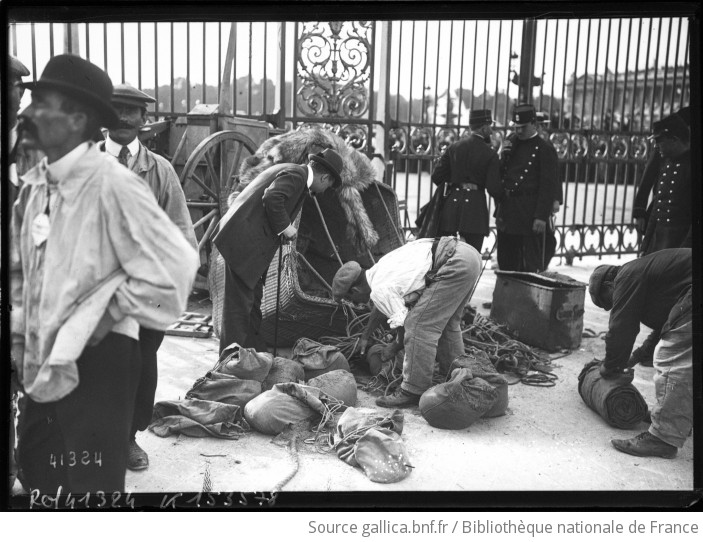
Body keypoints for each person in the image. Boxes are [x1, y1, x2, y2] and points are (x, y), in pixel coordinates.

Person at [10, 54, 198, 494]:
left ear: (77, 119)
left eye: (43, 104)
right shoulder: (37, 185)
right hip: (41, 362)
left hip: (98, 365)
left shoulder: (117, 184)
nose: (29, 112)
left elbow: (178, 268)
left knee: (89, 487)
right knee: (40, 473)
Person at [101, 83, 198, 472]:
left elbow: (183, 235)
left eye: (132, 111)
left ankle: (127, 438)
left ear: (144, 120)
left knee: (139, 364)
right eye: (116, 109)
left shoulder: (160, 171)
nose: (123, 117)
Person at [213, 148, 344, 354]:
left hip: (247, 245)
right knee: (238, 309)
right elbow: (273, 197)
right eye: (329, 184)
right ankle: (230, 363)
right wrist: (286, 227)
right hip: (242, 245)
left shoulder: (292, 171)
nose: (326, 189)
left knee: (253, 303)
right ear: (325, 177)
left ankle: (252, 354)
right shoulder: (297, 175)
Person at [331, 236, 482, 408]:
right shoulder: (379, 270)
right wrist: (365, 336)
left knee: (419, 326)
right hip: (467, 255)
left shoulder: (379, 288)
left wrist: (393, 347)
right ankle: (458, 375)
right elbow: (381, 305)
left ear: (356, 290)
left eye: (354, 300)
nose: (359, 304)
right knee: (447, 324)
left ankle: (412, 391)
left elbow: (405, 324)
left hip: (454, 262)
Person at [588, 248, 692, 459]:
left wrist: (611, 367)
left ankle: (663, 438)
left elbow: (621, 327)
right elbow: (666, 325)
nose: (614, 306)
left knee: (672, 356)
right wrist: (636, 356)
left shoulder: (627, 275)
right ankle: (681, 419)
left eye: (609, 301)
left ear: (609, 284)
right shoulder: (644, 273)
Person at [495, 103, 558, 272]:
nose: (519, 131)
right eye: (516, 127)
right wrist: (502, 157)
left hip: (529, 213)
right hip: (509, 211)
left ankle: (526, 298)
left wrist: (541, 216)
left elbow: (548, 185)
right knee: (506, 260)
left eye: (523, 127)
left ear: (534, 124)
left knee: (530, 263)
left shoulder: (544, 148)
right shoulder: (510, 143)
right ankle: (506, 295)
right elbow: (500, 175)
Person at [429, 109, 502, 253]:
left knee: (445, 257)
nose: (491, 131)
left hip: (451, 207)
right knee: (472, 257)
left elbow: (436, 176)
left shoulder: (454, 147)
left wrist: (455, 181)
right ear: (483, 127)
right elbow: (494, 188)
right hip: (475, 209)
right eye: (489, 126)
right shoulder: (490, 154)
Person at [632, 112, 691, 256]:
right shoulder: (666, 163)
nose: (656, 147)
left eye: (659, 141)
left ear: (674, 140)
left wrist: (684, 253)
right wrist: (644, 248)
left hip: (678, 245)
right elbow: (657, 210)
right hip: (658, 243)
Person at [535, 111, 562, 268]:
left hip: (545, 197)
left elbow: (555, 175)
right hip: (535, 197)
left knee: (548, 239)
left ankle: (541, 266)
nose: (544, 129)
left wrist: (556, 198)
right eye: (543, 125)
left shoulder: (547, 145)